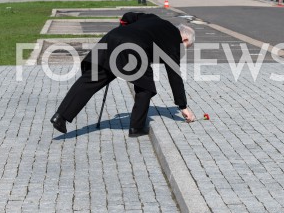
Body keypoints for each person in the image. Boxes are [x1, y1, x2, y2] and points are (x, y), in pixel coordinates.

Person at [50, 12, 196, 137]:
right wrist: (183, 106)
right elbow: (174, 76)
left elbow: (127, 17)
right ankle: (136, 127)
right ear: (184, 39)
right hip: (133, 48)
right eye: (186, 47)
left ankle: (60, 117)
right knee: (146, 88)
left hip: (111, 39)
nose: (183, 50)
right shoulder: (174, 41)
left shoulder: (154, 18)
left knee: (89, 82)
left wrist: (123, 30)